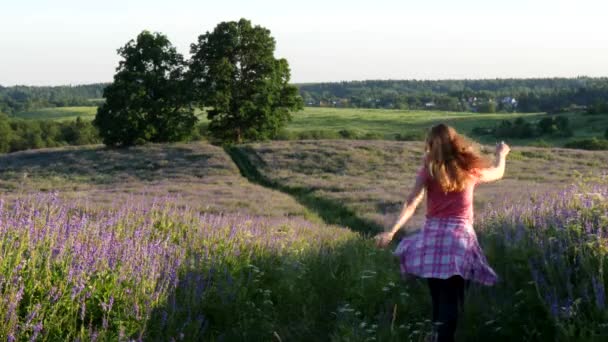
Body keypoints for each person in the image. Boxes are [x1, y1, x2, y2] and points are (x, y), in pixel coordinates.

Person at [374, 123, 510, 342]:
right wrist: (501, 154)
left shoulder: (429, 169)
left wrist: (391, 231)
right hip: (459, 241)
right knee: (454, 302)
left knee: (438, 300)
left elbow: (411, 202)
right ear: (456, 142)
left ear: (430, 144)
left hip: (432, 242)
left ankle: (437, 336)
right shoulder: (469, 168)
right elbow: (497, 172)